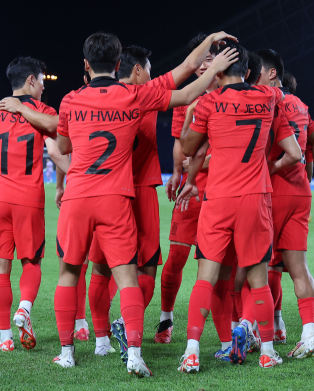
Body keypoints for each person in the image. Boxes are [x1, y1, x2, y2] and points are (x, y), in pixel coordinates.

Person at [52, 32, 239, 376]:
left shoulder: (70, 100)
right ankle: (135, 354)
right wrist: (214, 59)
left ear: (85, 65)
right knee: (128, 278)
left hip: (78, 196)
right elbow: (185, 84)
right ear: (121, 64)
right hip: (117, 197)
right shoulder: (134, 96)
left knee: (70, 273)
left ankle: (69, 352)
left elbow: (62, 146)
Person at [87, 41, 227, 359]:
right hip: (141, 191)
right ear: (137, 70)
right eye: (149, 69)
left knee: (100, 269)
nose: (152, 75)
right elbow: (187, 80)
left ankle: (99, 340)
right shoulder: (146, 95)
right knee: (148, 268)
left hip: (101, 191)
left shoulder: (87, 99)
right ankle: (128, 322)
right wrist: (214, 65)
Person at [176, 43, 302, 371]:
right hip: (255, 198)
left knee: (207, 276)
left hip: (218, 198)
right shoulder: (270, 99)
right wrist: (265, 168)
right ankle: (267, 351)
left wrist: (192, 113)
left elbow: (189, 147)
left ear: (218, 72)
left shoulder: (209, 103)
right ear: (247, 72)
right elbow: (292, 152)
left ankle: (191, 351)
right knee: (258, 278)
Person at [0, 57, 70, 352]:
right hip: (28, 199)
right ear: (30, 80)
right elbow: (57, 154)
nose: (44, 86)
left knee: (0, 268)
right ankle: (24, 308)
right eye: (42, 79)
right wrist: (75, 177)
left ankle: (5, 337)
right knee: (31, 262)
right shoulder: (43, 112)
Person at [257, 49, 314, 359]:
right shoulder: (300, 104)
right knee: (299, 267)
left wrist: (269, 168)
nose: (250, 79)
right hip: (301, 191)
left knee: (267, 265)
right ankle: (308, 332)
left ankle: (268, 328)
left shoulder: (267, 102)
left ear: (271, 74)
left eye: (255, 73)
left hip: (274, 191)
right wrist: (307, 171)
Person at [156, 34, 220, 347]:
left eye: (209, 59)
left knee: (222, 264)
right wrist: (177, 173)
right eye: (200, 60)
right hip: (190, 190)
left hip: (222, 189)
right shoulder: (187, 98)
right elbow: (180, 144)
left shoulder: (233, 95)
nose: (201, 66)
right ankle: (166, 318)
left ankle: (236, 327)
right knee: (177, 257)